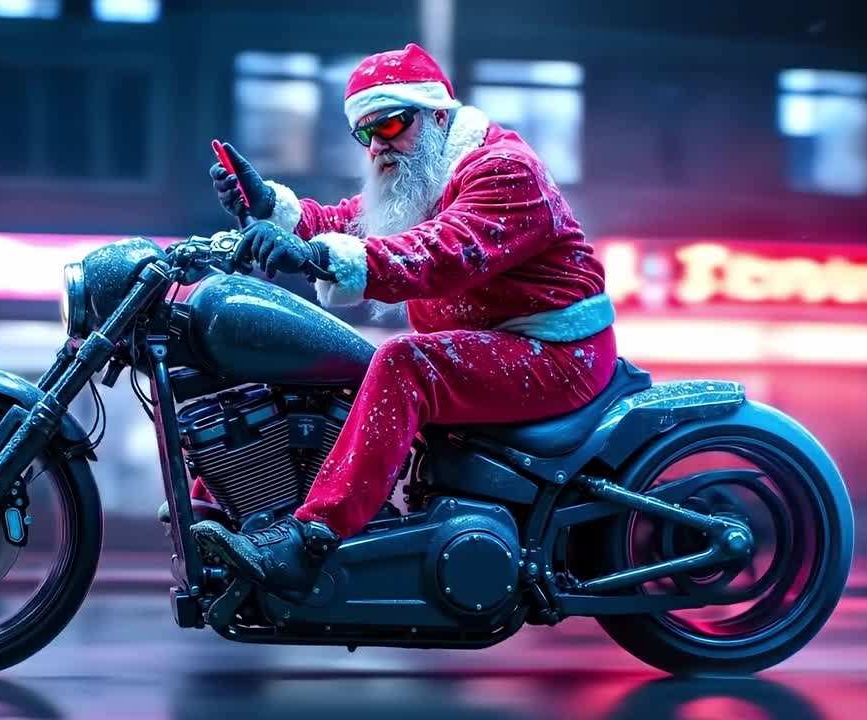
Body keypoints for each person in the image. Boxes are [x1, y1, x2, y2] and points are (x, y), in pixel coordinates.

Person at [189, 43, 619, 595]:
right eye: (364, 134)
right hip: (491, 347)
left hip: (556, 355)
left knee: (403, 362)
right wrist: (267, 205)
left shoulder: (505, 170)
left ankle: (313, 540)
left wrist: (317, 256)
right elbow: (348, 222)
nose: (378, 146)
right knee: (321, 368)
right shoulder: (423, 175)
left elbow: (444, 252)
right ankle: (232, 499)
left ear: (437, 113)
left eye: (391, 123)